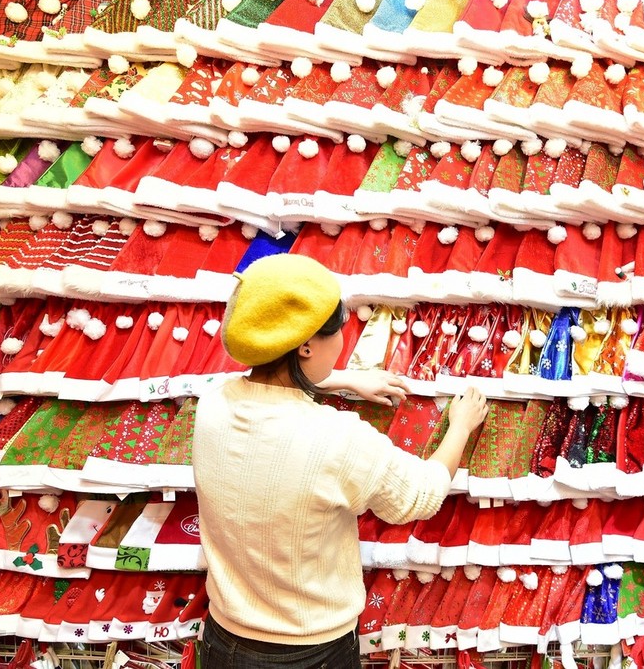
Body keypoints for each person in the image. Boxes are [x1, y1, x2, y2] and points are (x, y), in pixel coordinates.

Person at [193, 253, 489, 668]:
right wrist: (460, 425)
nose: (345, 340)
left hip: (224, 640)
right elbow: (420, 495)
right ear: (307, 346)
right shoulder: (336, 437)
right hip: (311, 652)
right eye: (340, 331)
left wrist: (345, 378)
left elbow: (263, 380)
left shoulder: (213, 403)